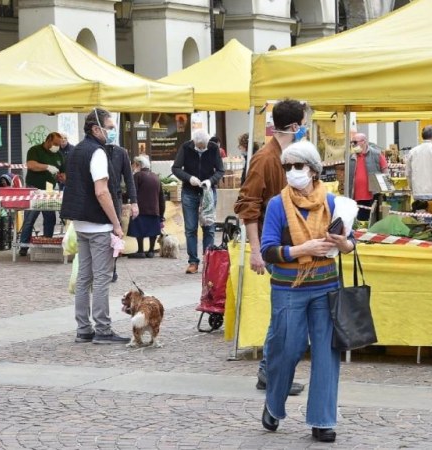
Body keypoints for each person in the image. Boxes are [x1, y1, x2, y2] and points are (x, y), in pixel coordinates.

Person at [259, 140, 354, 443]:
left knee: (327, 351)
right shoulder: (277, 204)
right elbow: (268, 250)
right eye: (287, 167)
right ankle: (274, 403)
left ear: (313, 170)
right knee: (286, 348)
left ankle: (322, 420)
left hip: (327, 286)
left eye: (298, 166)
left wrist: (343, 244)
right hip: (289, 288)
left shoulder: (333, 203)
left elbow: (352, 244)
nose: (291, 172)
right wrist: (303, 248)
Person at [233, 98, 307, 397]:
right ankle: (271, 372)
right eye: (303, 124)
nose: (305, 129)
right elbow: (247, 205)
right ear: (293, 126)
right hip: (275, 247)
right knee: (284, 315)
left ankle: (271, 370)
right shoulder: (265, 158)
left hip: (289, 246)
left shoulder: (287, 155)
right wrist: (255, 251)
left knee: (286, 315)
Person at [60, 108, 129, 345]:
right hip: (98, 224)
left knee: (83, 278)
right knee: (101, 278)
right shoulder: (97, 153)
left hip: (80, 223)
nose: (112, 131)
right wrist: (116, 223)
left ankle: (83, 328)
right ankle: (103, 329)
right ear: (96, 129)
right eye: (109, 127)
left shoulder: (76, 150)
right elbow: (102, 191)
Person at [171, 129, 224, 274]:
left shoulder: (213, 148)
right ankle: (193, 262)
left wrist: (210, 180)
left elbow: (220, 170)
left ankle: (209, 261)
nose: (202, 148)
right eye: (199, 146)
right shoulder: (186, 147)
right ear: (194, 142)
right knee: (190, 228)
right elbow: (175, 168)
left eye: (204, 146)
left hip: (208, 192)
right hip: (190, 191)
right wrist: (189, 178)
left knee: (209, 227)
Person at [19, 132, 64, 256]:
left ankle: (47, 242)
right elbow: (31, 165)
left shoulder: (59, 155)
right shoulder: (35, 150)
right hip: (34, 188)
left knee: (50, 218)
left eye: (59, 145)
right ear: (48, 140)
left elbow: (63, 173)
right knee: (30, 217)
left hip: (49, 189)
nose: (57, 147)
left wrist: (61, 177)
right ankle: (24, 245)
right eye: (55, 144)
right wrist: (47, 167)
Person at [106, 139, 138, 282]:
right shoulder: (94, 150)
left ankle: (112, 269)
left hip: (115, 198)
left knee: (115, 234)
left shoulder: (121, 153)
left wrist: (134, 202)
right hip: (95, 198)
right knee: (99, 234)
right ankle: (101, 269)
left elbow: (129, 179)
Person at [127, 155, 164, 258]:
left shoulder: (137, 176)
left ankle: (140, 250)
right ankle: (151, 250)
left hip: (141, 209)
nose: (133, 166)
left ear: (138, 165)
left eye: (134, 164)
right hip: (154, 210)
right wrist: (161, 213)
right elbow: (162, 197)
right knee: (152, 231)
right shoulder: (156, 177)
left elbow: (132, 191)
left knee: (140, 230)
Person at [348, 133, 389, 221]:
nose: (353, 145)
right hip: (355, 195)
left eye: (355, 142)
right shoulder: (351, 156)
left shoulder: (376, 154)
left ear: (364, 142)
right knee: (360, 222)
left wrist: (385, 190)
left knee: (373, 221)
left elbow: (385, 170)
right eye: (352, 142)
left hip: (373, 194)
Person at [406, 126, 432, 203]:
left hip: (417, 195)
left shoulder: (412, 152)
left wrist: (413, 189)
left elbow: (408, 174)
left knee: (419, 214)